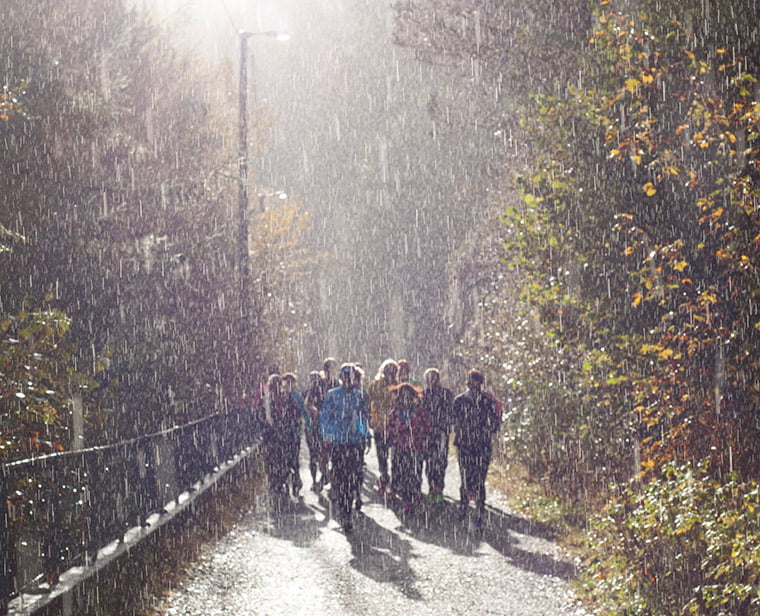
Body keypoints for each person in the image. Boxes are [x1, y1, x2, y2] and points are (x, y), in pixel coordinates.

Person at [320, 363, 371, 532]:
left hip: (354, 442)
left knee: (353, 476)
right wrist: (327, 435)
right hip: (338, 442)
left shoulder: (359, 396)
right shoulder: (332, 395)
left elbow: (363, 418)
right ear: (341, 378)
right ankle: (343, 509)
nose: (348, 381)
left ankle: (348, 505)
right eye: (345, 377)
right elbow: (325, 417)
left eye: (351, 377)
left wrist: (365, 435)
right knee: (341, 476)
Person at [452, 369, 501, 530]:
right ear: (467, 382)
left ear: (481, 383)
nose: (474, 384)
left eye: (477, 382)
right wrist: (462, 431)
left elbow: (495, 422)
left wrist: (485, 429)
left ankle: (479, 514)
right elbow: (452, 420)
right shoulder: (459, 401)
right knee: (466, 478)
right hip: (465, 445)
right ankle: (463, 507)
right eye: (472, 381)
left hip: (482, 446)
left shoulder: (487, 401)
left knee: (480, 480)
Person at [386, 382, 431, 513]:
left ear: (412, 396)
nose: (405, 398)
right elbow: (388, 429)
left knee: (414, 474)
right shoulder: (394, 412)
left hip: (415, 448)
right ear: (398, 397)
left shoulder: (420, 411)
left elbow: (427, 427)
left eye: (408, 395)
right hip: (399, 447)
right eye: (402, 396)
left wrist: (421, 436)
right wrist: (390, 439)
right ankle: (394, 491)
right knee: (397, 472)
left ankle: (410, 498)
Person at [256, 374, 301, 498]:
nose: (276, 389)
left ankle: (283, 482)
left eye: (278, 385)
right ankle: (276, 485)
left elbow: (296, 415)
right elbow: (259, 417)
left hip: (285, 437)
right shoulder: (265, 401)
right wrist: (265, 430)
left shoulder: (288, 399)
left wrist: (289, 426)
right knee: (273, 462)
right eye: (273, 386)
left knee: (284, 462)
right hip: (271, 437)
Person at [421, 368, 454, 504]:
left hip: (441, 432)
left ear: (439, 379)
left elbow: (452, 412)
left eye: (434, 378)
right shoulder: (423, 395)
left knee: (441, 461)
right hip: (428, 433)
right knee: (429, 462)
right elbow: (421, 413)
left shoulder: (446, 393)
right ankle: (431, 487)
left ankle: (439, 488)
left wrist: (447, 426)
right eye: (429, 378)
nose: (432, 381)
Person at [367, 359, 398, 494]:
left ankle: (395, 479)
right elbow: (369, 403)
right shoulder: (375, 385)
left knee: (396, 454)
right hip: (379, 424)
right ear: (383, 371)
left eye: (393, 370)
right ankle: (384, 476)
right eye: (387, 370)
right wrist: (370, 418)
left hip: (395, 426)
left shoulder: (399, 386)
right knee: (381, 453)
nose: (390, 373)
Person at [281, 372, 305, 497]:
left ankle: (295, 480)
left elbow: (303, 411)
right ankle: (289, 481)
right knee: (286, 458)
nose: (288, 385)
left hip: (294, 433)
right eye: (286, 383)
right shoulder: (281, 396)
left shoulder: (297, 396)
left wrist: (307, 428)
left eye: (290, 383)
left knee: (293, 458)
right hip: (284, 433)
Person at [304, 370, 328, 491]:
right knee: (315, 455)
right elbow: (306, 405)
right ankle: (317, 479)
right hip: (314, 427)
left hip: (320, 427)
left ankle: (324, 476)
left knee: (320, 455)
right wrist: (316, 411)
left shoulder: (325, 390)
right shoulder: (309, 392)